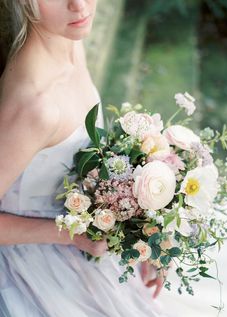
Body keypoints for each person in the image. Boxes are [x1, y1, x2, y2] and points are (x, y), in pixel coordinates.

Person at [0, 1, 169, 316]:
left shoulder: (69, 41)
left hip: (86, 237)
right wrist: (70, 235)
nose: (78, 5)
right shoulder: (36, 107)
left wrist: (146, 232)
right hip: (35, 261)